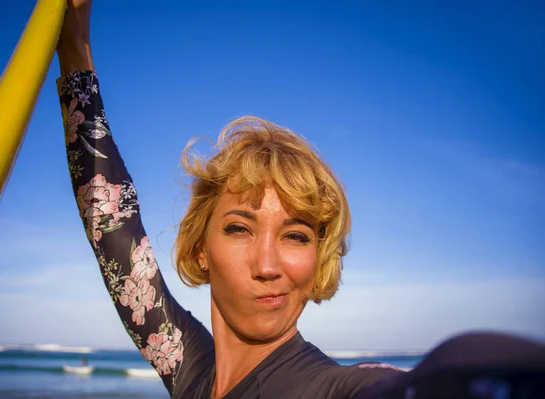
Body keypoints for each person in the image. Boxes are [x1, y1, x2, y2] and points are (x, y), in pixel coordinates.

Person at [55, 2, 545, 399]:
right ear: (201, 248)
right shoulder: (187, 368)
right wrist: (75, 50)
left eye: (295, 235)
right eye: (240, 228)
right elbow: (111, 221)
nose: (268, 265)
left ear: (317, 260)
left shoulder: (335, 389)